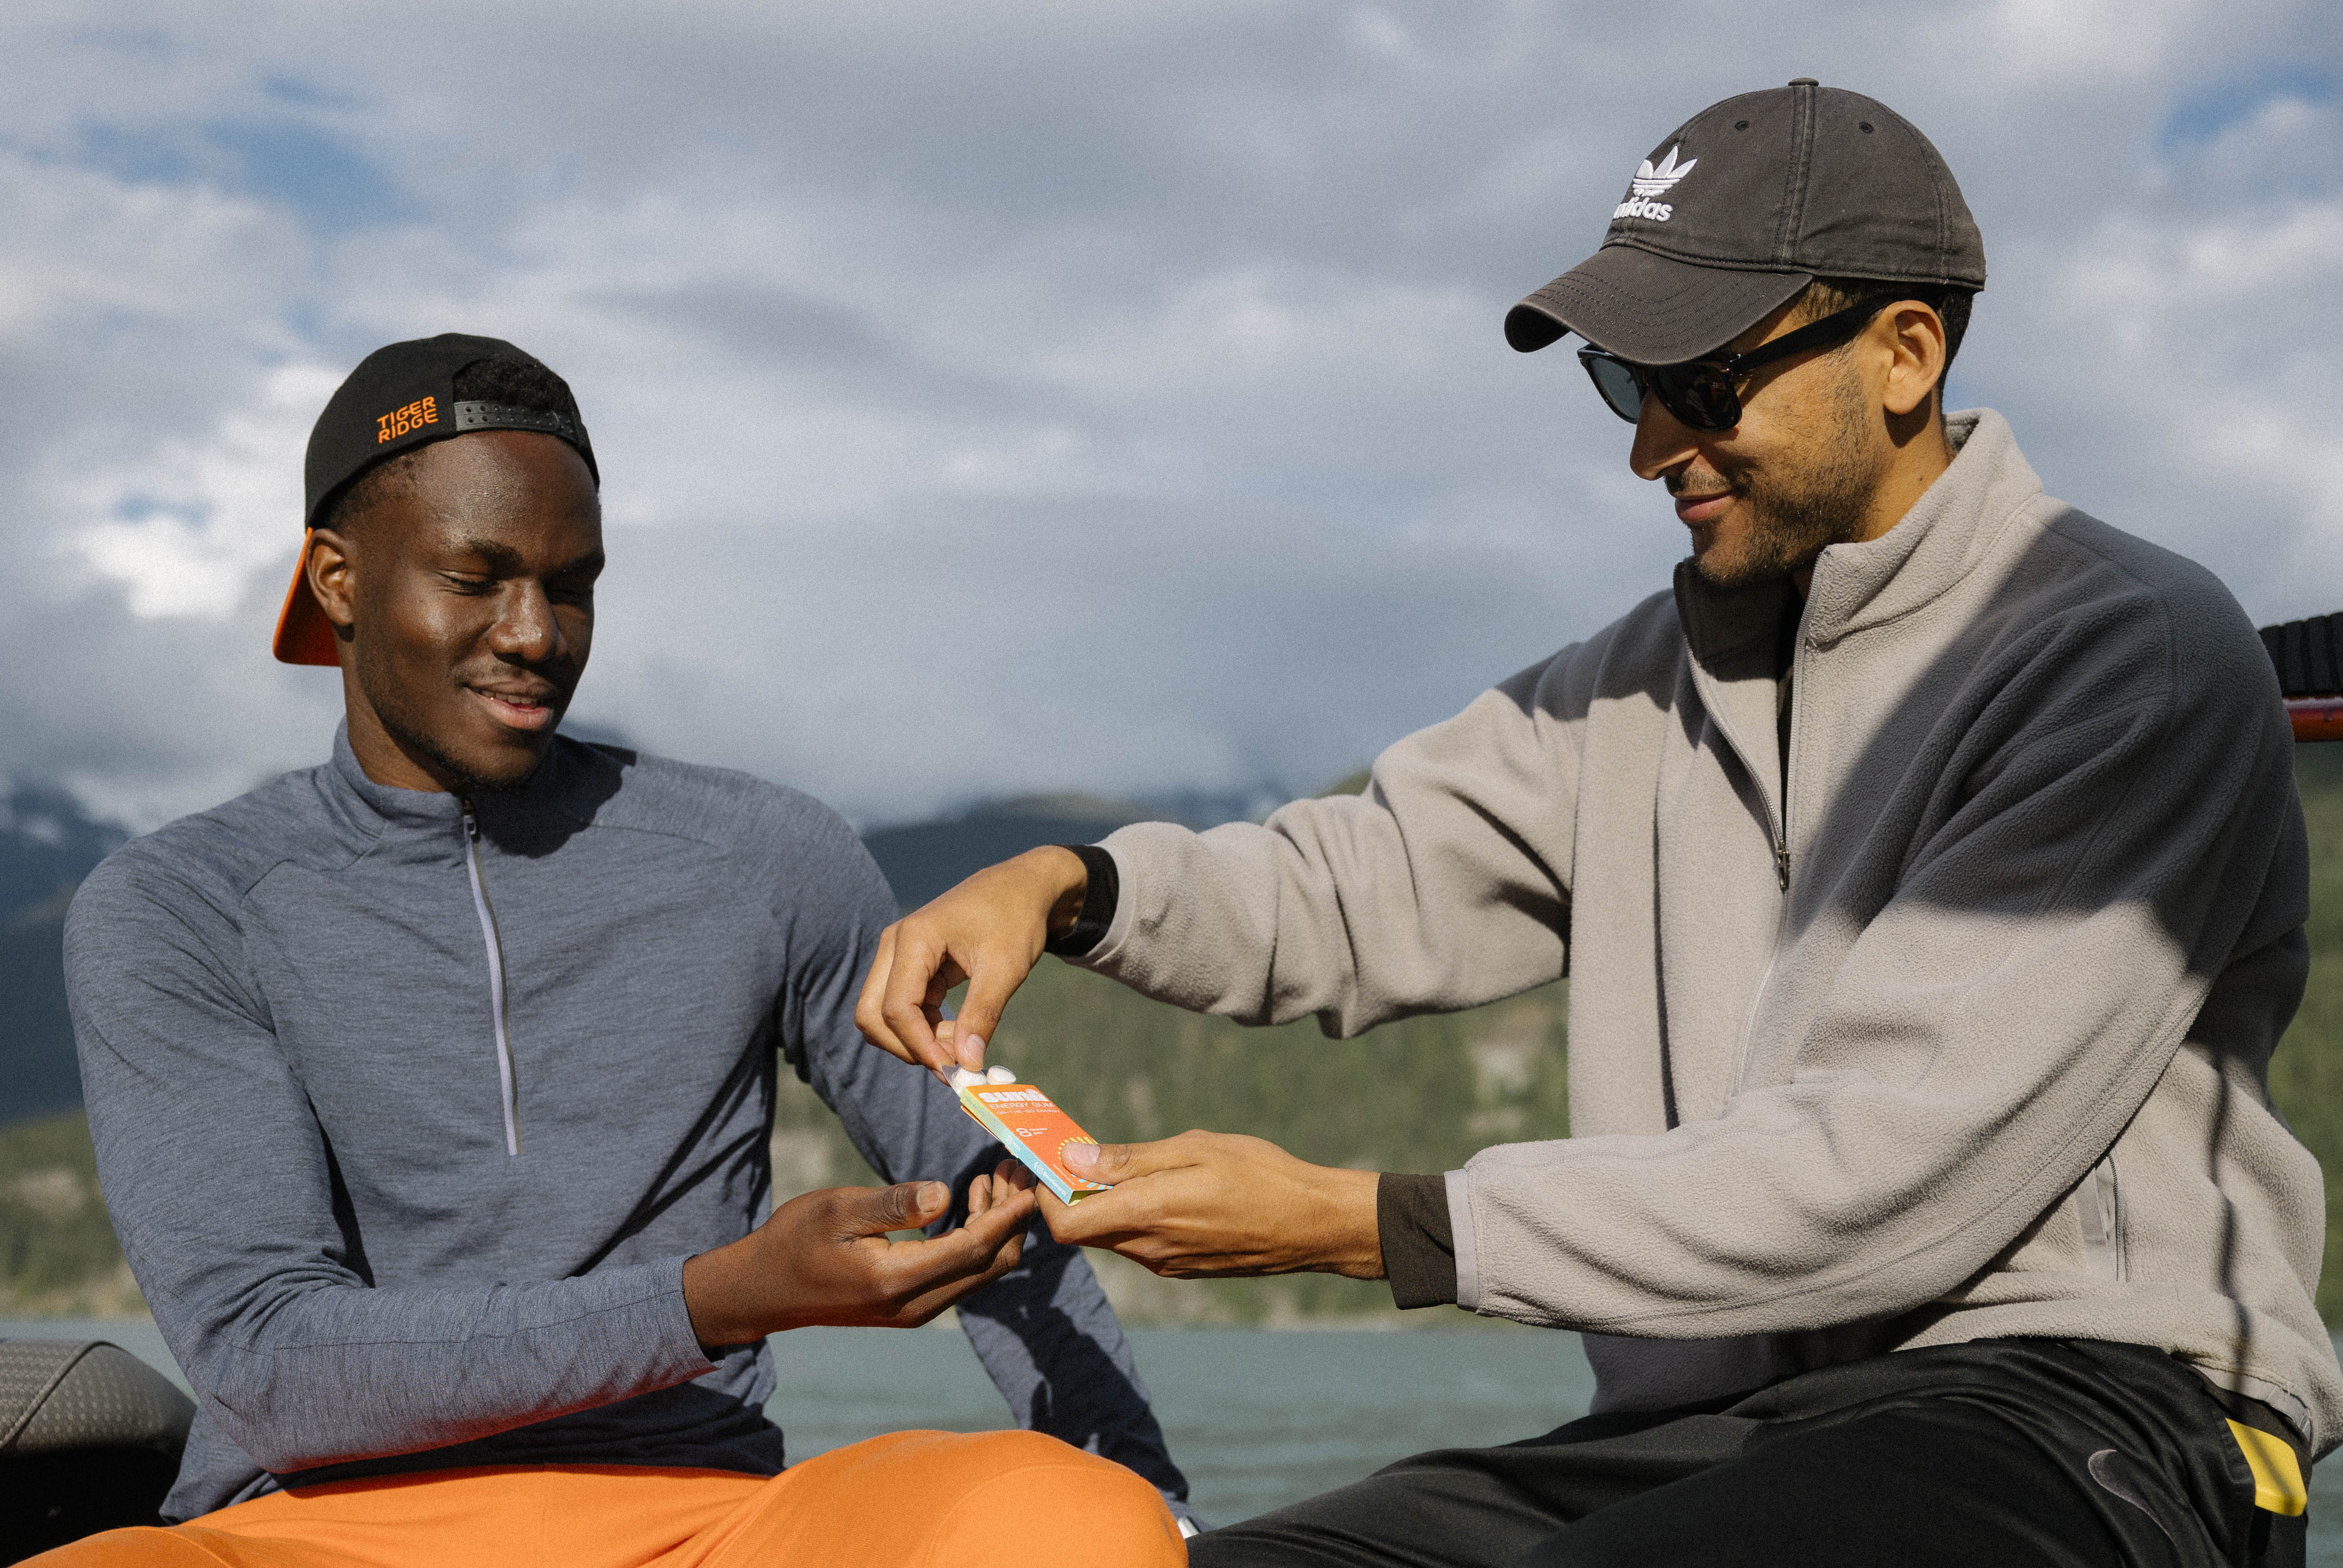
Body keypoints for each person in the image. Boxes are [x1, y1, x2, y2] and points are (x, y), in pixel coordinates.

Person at [860, 81, 2339, 1567]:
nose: (1648, 448)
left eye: (1701, 384)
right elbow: (1357, 879)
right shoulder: (1632, 684)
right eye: (1620, 382)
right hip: (1712, 1430)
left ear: (1904, 355)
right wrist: (1070, 884)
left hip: (2080, 1400)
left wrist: (1358, 1219)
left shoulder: (2121, 651)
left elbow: (1885, 1165)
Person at [47, 334, 1190, 1567]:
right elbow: (272, 1370)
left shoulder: (767, 855)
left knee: (1076, 1515)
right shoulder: (177, 905)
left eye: (572, 581)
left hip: (703, 1520)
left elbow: (994, 1202)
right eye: (476, 576)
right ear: (336, 577)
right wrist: (719, 1297)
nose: (536, 634)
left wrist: (1150, 1491)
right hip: (312, 1534)